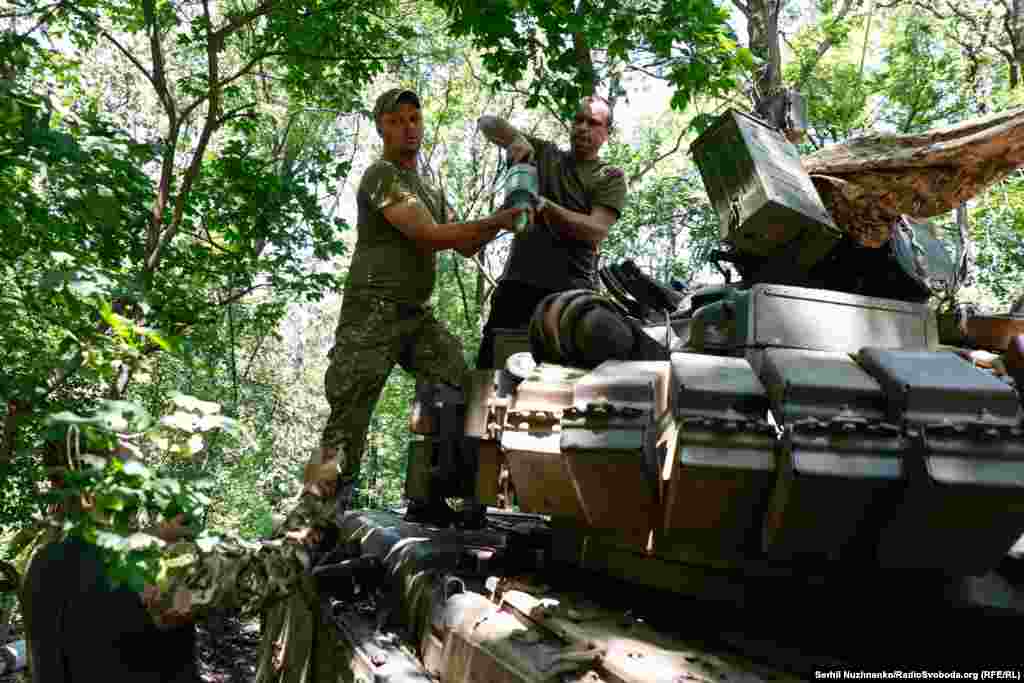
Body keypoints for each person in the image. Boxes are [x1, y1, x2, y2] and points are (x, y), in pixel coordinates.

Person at [316, 87, 524, 521]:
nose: (407, 127)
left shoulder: (426, 187)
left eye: (413, 118)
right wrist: (500, 220)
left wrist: (510, 212)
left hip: (414, 316)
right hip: (372, 314)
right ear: (381, 129)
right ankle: (314, 523)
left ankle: (429, 493)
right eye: (396, 121)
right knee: (349, 419)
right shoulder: (381, 176)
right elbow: (428, 235)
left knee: (457, 381)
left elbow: (465, 243)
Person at [474, 95, 628, 370]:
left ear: (606, 133)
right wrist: (514, 139)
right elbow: (486, 123)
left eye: (593, 123)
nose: (582, 127)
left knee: (564, 384)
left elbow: (595, 231)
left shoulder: (610, 176)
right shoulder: (544, 154)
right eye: (578, 120)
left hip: (570, 296)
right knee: (493, 376)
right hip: (517, 288)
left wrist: (546, 207)